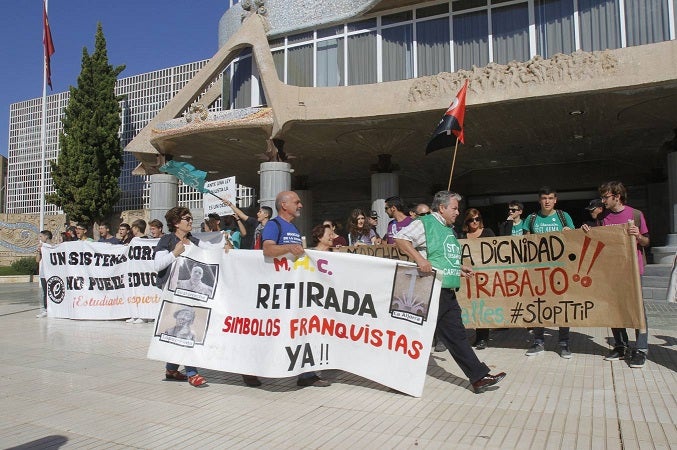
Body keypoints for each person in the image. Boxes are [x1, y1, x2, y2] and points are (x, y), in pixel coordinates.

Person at [394, 191, 506, 394]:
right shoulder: (425, 223)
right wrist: (420, 260)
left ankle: (479, 377)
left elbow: (442, 256)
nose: (457, 212)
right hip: (430, 289)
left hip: (446, 290)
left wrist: (459, 268)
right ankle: (397, 378)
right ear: (442, 208)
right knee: (414, 335)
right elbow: (400, 239)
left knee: (457, 336)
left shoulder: (449, 230)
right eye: (454, 208)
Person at [262, 191, 331, 388]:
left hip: (296, 289)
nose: (300, 205)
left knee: (303, 327)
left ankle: (307, 374)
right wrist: (289, 248)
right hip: (278, 289)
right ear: (284, 205)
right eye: (297, 202)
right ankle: (251, 369)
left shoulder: (292, 226)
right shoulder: (273, 225)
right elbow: (268, 249)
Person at [153, 206, 218, 387]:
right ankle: (192, 373)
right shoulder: (167, 240)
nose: (190, 221)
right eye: (186, 218)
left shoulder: (194, 240)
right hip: (174, 296)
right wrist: (175, 253)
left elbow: (213, 252)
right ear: (175, 223)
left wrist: (225, 246)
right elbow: (157, 265)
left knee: (186, 329)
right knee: (188, 330)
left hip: (194, 297)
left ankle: (171, 369)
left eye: (190, 218)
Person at [593, 181, 650, 368]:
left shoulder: (636, 214)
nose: (603, 201)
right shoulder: (603, 217)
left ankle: (641, 349)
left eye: (605, 197)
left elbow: (646, 242)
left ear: (617, 197)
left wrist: (638, 236)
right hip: (613, 271)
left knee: (637, 309)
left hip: (633, 271)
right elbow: (599, 241)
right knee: (615, 308)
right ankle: (621, 346)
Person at [524, 186, 575, 358]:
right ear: (539, 200)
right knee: (539, 305)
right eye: (544, 198)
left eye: (550, 198)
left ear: (555, 200)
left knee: (562, 306)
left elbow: (575, 241)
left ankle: (564, 343)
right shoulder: (531, 219)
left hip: (560, 270)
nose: (547, 201)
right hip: (538, 271)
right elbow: (524, 243)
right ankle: (538, 341)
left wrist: (570, 233)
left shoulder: (563, 216)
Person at [459, 208, 496, 350]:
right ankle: (474, 336)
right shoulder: (462, 235)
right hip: (468, 277)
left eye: (477, 219)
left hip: (485, 277)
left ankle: (482, 338)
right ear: (466, 222)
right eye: (470, 220)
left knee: (483, 305)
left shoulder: (488, 233)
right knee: (470, 306)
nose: (474, 222)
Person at [35, 230, 53, 318]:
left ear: (46, 237)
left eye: (41, 237)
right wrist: (39, 252)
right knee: (45, 292)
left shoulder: (53, 247)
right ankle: (46, 309)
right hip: (43, 274)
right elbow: (37, 260)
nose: (40, 238)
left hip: (51, 273)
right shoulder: (42, 247)